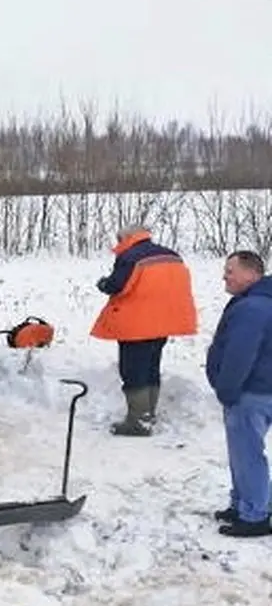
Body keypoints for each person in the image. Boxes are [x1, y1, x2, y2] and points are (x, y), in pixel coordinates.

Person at [90, 225, 198, 436]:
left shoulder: (131, 257)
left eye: (118, 239)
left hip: (136, 324)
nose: (117, 244)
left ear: (126, 238)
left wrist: (104, 283)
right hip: (164, 322)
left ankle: (137, 422)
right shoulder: (172, 255)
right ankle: (148, 414)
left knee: (133, 371)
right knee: (151, 367)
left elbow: (118, 285)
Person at [206, 250, 272, 537]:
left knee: (247, 454)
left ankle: (256, 515)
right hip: (261, 387)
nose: (225, 276)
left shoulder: (253, 308)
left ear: (251, 274)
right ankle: (244, 504)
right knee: (243, 453)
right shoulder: (259, 302)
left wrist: (227, 389)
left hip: (251, 391)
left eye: (230, 270)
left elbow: (240, 353)